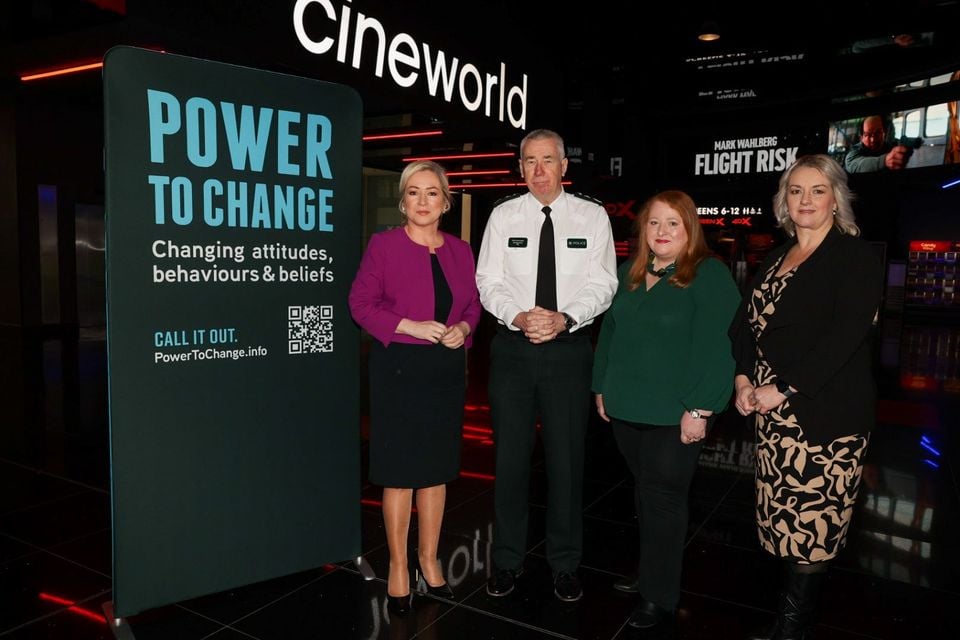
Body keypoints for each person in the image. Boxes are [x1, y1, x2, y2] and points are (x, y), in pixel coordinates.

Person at [729, 154, 883, 639]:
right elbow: (744, 328)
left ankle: (792, 629)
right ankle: (787, 621)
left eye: (817, 190)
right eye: (796, 190)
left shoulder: (854, 256)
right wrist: (743, 379)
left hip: (826, 415)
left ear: (836, 198)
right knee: (783, 523)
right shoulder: (775, 258)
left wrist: (782, 386)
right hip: (774, 418)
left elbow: (844, 335)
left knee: (814, 528)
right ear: (784, 201)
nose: (806, 200)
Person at [476, 128, 617, 602]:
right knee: (510, 461)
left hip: (568, 350)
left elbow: (603, 283)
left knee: (566, 462)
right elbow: (487, 279)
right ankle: (507, 561)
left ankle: (564, 563)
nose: (538, 171)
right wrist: (518, 315)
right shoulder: (502, 216)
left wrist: (564, 318)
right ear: (520, 169)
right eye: (529, 162)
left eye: (547, 160)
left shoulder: (592, 216)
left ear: (564, 166)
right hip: (513, 351)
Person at [592, 190, 740, 629]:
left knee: (663, 499)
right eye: (654, 223)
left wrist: (701, 407)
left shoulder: (708, 274)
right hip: (627, 405)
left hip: (676, 411)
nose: (662, 232)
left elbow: (721, 346)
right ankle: (650, 572)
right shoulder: (631, 271)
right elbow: (609, 334)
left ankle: (660, 595)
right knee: (644, 492)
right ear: (642, 229)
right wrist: (601, 386)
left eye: (673, 223)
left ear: (689, 228)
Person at [348, 160, 481, 614]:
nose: (422, 201)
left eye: (431, 193)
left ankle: (429, 560)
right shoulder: (384, 246)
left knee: (437, 470)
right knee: (401, 472)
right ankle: (400, 567)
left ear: (446, 201)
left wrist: (463, 328)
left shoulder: (462, 251)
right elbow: (360, 304)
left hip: (444, 372)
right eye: (413, 193)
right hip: (399, 370)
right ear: (403, 200)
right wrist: (408, 325)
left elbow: (474, 306)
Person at [844, 115, 911, 173]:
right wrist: (885, 161)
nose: (873, 140)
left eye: (878, 133)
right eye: (868, 135)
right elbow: (856, 165)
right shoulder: (854, 151)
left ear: (884, 133)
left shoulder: (891, 146)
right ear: (861, 137)